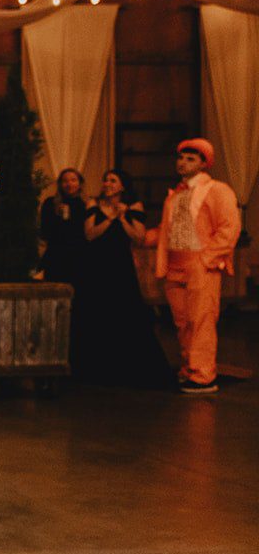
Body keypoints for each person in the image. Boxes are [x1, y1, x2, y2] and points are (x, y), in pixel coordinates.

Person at [145, 138, 240, 394]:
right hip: (175, 266)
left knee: (201, 321)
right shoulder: (175, 195)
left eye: (190, 159)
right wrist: (143, 235)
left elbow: (229, 228)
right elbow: (168, 230)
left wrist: (205, 260)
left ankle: (203, 375)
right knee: (183, 322)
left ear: (203, 164)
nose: (183, 162)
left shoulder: (217, 190)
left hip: (200, 265)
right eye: (181, 157)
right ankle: (189, 369)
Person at [72, 170, 174, 388]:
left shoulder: (134, 206)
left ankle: (127, 365)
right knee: (96, 312)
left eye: (112, 180)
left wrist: (123, 218)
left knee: (125, 309)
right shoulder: (93, 203)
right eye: (105, 180)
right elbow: (90, 234)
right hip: (96, 265)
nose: (107, 184)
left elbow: (139, 237)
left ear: (122, 186)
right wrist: (110, 218)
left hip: (120, 265)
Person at [40, 168, 88, 287]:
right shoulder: (50, 203)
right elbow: (45, 231)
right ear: (60, 184)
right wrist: (57, 216)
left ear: (80, 183)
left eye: (73, 180)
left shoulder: (86, 204)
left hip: (79, 255)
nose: (69, 184)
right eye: (65, 181)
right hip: (56, 254)